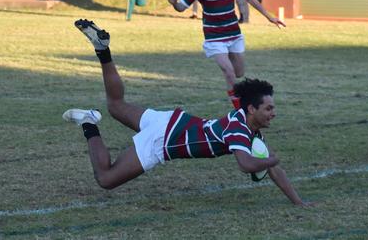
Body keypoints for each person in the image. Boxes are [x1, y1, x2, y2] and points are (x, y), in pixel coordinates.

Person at [63, 19, 311, 207]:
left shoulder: (245, 126)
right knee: (106, 179)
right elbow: (246, 165)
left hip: (172, 120)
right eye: (269, 108)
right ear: (251, 109)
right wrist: (270, 160)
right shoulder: (239, 129)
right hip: (165, 139)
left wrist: (298, 202)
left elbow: (274, 172)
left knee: (116, 105)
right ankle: (88, 122)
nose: (273, 113)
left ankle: (102, 49)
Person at [167, 0, 285, 108]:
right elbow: (181, 7)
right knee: (229, 73)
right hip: (214, 37)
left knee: (239, 73)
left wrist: (269, 17)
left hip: (234, 34)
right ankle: (239, 111)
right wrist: (174, 3)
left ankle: (231, 72)